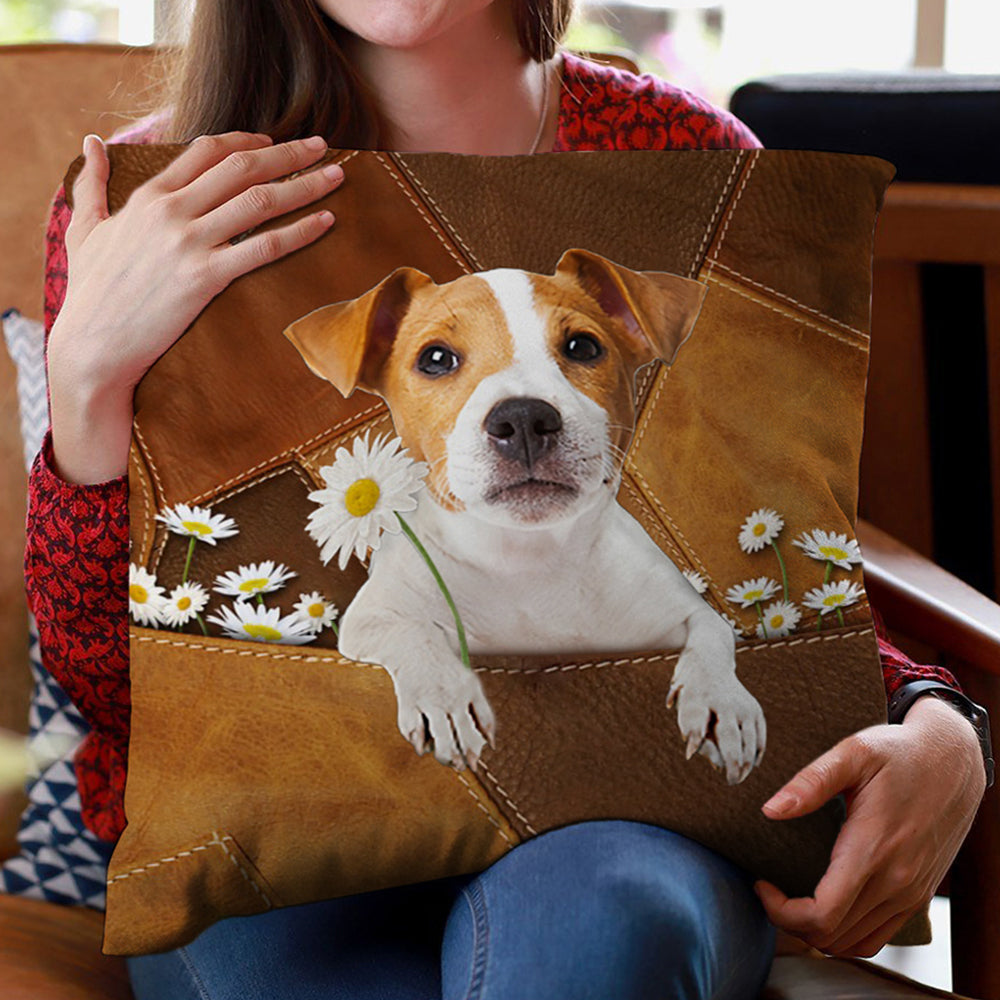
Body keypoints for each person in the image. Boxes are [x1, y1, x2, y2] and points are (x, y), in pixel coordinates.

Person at [24, 1, 987, 997]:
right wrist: (88, 381)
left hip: (622, 813)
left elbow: (766, 550)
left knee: (600, 923)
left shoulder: (688, 165)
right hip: (281, 812)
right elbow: (105, 679)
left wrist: (936, 713)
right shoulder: (157, 202)